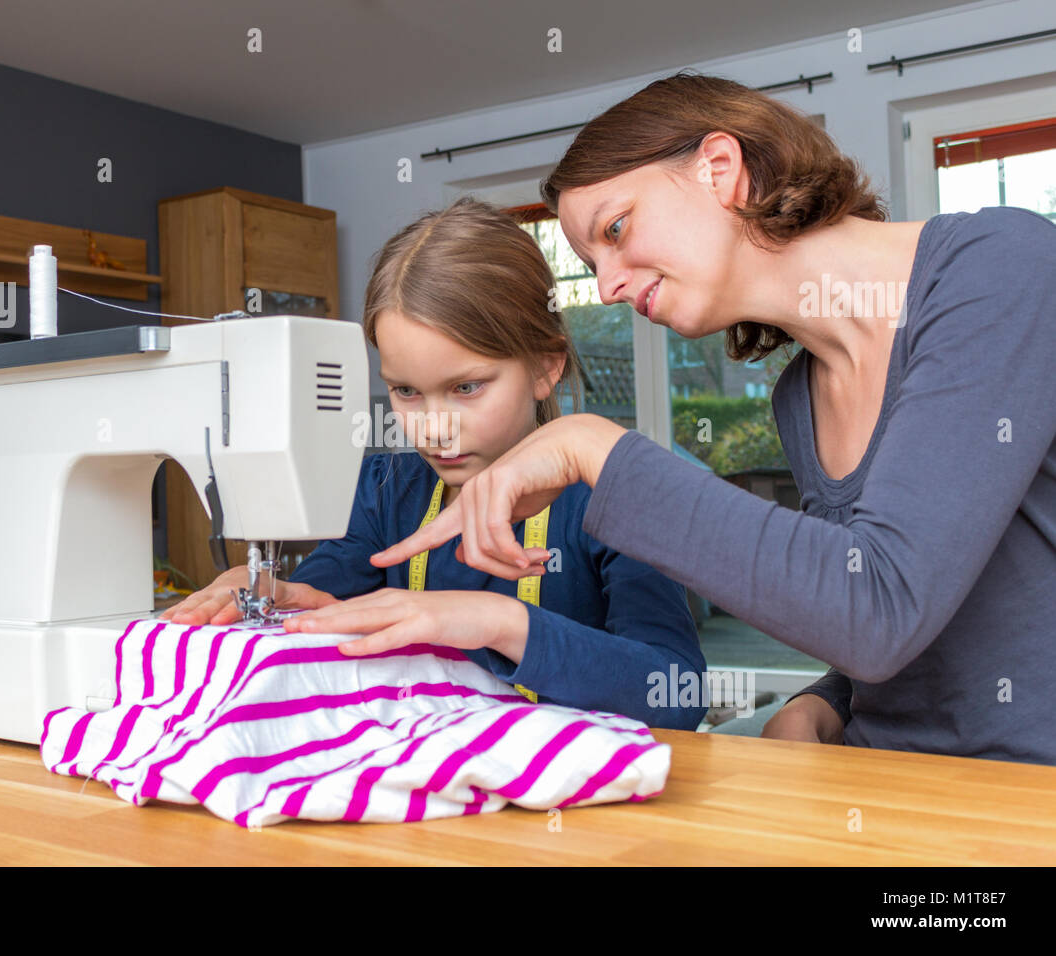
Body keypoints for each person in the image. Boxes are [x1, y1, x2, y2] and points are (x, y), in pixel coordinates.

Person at [363, 72, 1056, 766]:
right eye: (591, 261)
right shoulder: (801, 395)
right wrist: (826, 702)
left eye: (616, 227)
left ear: (719, 168)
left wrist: (592, 446)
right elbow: (911, 616)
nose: (605, 286)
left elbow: (879, 609)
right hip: (883, 783)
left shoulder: (1002, 269)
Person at [162, 197, 706, 729]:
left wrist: (501, 624)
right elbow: (317, 605)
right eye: (405, 391)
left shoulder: (615, 502)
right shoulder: (384, 491)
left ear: (546, 367)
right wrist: (274, 595)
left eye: (466, 387)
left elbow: (678, 693)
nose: (432, 426)